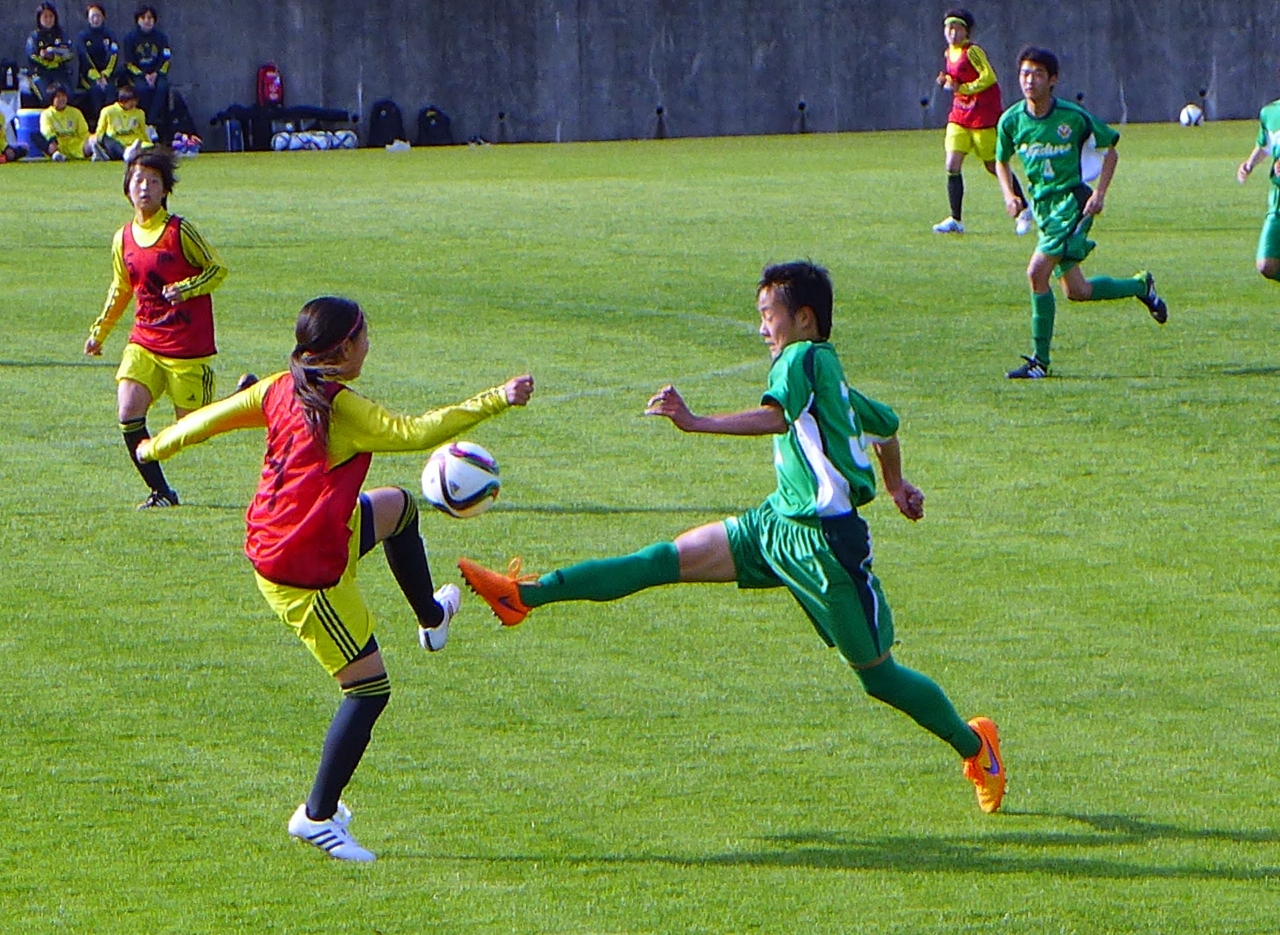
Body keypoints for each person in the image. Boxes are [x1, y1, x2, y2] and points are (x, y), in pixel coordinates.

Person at [460, 261, 1006, 816]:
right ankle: (522, 595)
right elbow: (887, 426)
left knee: (878, 677)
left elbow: (776, 419)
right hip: (774, 527)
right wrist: (894, 483)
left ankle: (976, 745)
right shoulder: (830, 373)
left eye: (769, 316)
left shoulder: (801, 359)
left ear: (805, 318)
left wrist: (695, 422)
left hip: (825, 547)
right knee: (664, 559)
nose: (763, 329)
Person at [136, 296, 536, 861]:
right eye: (365, 336)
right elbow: (418, 431)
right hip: (302, 572)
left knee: (399, 508)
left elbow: (212, 418)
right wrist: (497, 398)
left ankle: (432, 617)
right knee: (368, 689)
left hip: (312, 531)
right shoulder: (341, 409)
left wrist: (155, 444)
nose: (369, 345)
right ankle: (317, 816)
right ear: (345, 348)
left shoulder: (281, 385)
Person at [995, 47, 1168, 379]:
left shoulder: (1073, 117)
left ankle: (1039, 362)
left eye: (1038, 74)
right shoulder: (1011, 120)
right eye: (1024, 74)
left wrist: (1100, 194)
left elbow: (1111, 151)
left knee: (1036, 273)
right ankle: (1140, 286)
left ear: (1053, 80)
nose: (1029, 81)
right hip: (1045, 211)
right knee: (1078, 291)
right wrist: (1009, 195)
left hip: (1073, 203)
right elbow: (1001, 160)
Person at [83, 146, 229, 508]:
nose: (144, 188)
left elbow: (217, 269)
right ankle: (161, 492)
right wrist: (99, 332)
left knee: (191, 431)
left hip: (187, 346)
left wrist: (187, 288)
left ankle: (245, 397)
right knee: (128, 411)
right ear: (127, 189)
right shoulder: (123, 238)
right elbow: (121, 288)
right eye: (137, 181)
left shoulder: (180, 231)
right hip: (144, 341)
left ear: (165, 190)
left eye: (153, 181)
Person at [932, 8, 1031, 236]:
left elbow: (988, 77)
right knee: (951, 164)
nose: (952, 33)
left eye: (957, 28)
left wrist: (964, 88)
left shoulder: (973, 51)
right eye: (948, 28)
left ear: (966, 31)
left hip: (981, 114)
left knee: (993, 165)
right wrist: (947, 81)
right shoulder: (948, 53)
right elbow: (957, 79)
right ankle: (956, 220)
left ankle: (1023, 209)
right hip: (959, 114)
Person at [1235, 72, 1280, 285]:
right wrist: (1249, 164)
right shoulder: (1270, 113)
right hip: (1278, 200)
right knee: (1266, 265)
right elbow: (1265, 146)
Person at [121, 5, 171, 127]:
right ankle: (142, 121)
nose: (147, 21)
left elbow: (166, 59)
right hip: (137, 74)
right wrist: (144, 76)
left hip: (157, 73)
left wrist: (156, 74)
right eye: (143, 18)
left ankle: (151, 123)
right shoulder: (130, 38)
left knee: (163, 87)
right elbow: (128, 62)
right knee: (142, 89)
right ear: (138, 20)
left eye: (150, 18)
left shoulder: (161, 37)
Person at [76, 3, 119, 126]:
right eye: (92, 16)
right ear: (88, 19)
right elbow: (84, 58)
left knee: (110, 90)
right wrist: (97, 77)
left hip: (107, 75)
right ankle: (99, 124)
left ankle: (111, 124)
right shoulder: (83, 36)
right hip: (88, 75)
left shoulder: (110, 35)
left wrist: (105, 75)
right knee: (95, 90)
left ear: (103, 17)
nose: (96, 19)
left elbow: (114, 56)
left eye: (98, 16)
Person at [25, 1, 75, 103]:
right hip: (40, 74)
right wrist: (47, 60)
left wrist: (54, 58)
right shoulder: (34, 37)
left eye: (51, 16)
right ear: (39, 19)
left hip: (60, 73)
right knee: (47, 96)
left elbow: (70, 53)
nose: (48, 20)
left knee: (68, 94)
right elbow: (33, 55)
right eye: (45, 17)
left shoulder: (62, 34)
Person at [89, 84, 151, 161]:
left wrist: (149, 143)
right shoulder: (107, 111)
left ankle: (107, 155)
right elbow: (100, 131)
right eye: (131, 101)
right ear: (123, 100)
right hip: (115, 143)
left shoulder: (140, 113)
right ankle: (123, 153)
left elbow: (143, 131)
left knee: (146, 147)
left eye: (135, 101)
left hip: (134, 143)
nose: (134, 104)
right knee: (105, 139)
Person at [32, 83, 91, 160]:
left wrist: (88, 142)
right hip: (57, 145)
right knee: (36, 136)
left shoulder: (76, 112)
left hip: (75, 145)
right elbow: (46, 130)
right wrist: (53, 140)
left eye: (63, 96)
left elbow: (84, 132)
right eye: (58, 97)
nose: (61, 99)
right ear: (52, 99)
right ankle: (57, 155)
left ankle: (96, 153)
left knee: (92, 141)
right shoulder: (47, 114)